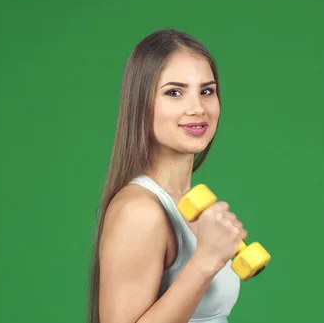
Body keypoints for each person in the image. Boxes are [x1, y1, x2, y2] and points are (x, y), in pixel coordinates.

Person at [87, 29, 247, 323]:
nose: (197, 108)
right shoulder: (139, 210)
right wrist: (206, 261)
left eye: (206, 91)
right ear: (141, 104)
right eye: (174, 92)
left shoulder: (190, 203)